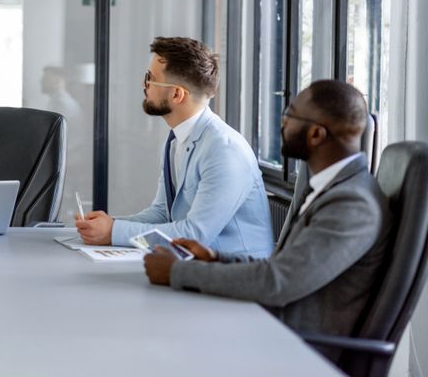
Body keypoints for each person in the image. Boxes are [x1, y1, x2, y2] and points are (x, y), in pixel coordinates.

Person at [144, 80, 391, 344]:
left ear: (316, 134)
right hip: (275, 328)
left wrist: (177, 272)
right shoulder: (331, 189)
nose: (282, 123)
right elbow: (284, 268)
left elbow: (279, 282)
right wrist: (214, 258)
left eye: (289, 115)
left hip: (297, 347)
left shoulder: (352, 205)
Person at [75, 37, 273, 258]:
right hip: (193, 268)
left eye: (150, 78)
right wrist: (109, 224)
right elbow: (162, 213)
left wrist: (113, 232)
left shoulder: (224, 150)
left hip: (236, 280)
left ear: (177, 94)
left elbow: (195, 235)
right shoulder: (177, 139)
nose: (144, 85)